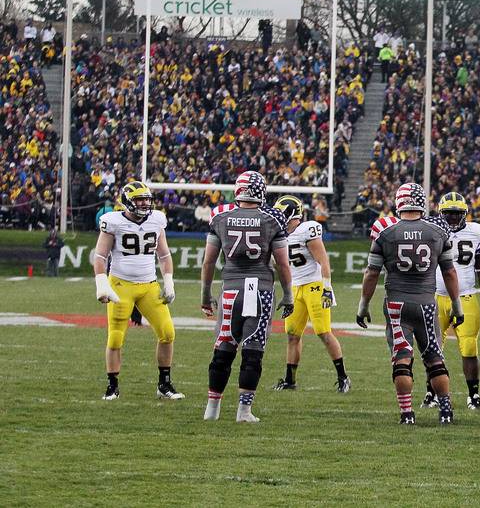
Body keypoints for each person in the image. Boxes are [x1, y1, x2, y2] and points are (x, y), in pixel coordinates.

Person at [356, 182, 462, 425]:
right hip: (426, 303)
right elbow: (450, 273)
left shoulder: (386, 233)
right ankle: (445, 411)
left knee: (402, 357)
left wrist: (363, 304)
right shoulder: (437, 232)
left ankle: (407, 414)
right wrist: (457, 305)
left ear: (399, 202)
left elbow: (371, 273)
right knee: (434, 357)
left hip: (396, 304)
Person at [200, 171, 293, 422]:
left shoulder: (220, 215)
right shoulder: (273, 218)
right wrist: (288, 294)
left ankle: (212, 409)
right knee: (252, 351)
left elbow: (209, 261)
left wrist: (206, 294)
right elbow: (283, 264)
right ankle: (243, 411)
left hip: (230, 288)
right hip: (260, 289)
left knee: (224, 347)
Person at [89, 181, 181, 401]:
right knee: (115, 339)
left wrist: (168, 280)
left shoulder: (156, 220)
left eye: (147, 200)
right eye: (140, 200)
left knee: (167, 333)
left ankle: (164, 384)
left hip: (149, 285)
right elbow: (100, 256)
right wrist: (102, 283)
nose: (144, 204)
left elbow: (165, 255)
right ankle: (112, 386)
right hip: (121, 285)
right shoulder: (113, 222)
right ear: (128, 202)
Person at [271, 195, 351, 394]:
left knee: (323, 332)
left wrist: (327, 287)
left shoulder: (306, 230)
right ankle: (290, 380)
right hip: (295, 288)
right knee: (292, 335)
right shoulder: (279, 235)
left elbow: (323, 260)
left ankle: (343, 377)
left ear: (289, 213)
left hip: (314, 285)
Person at [428, 192, 480, 410]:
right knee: (434, 348)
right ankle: (432, 393)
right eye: (449, 214)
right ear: (441, 213)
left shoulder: (477, 232)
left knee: (469, 348)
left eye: (457, 214)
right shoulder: (432, 230)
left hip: (466, 296)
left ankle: (473, 395)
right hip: (436, 296)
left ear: (465, 214)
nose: (454, 218)